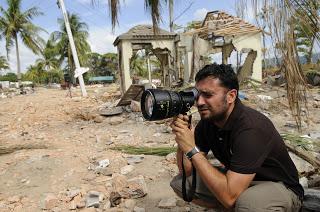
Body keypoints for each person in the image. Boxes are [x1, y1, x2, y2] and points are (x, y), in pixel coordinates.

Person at [170, 63, 303, 211]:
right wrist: (182, 140)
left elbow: (229, 197)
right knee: (182, 183)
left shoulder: (251, 128)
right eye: (198, 94)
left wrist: (192, 150)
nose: (200, 102)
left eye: (208, 95)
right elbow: (187, 171)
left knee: (248, 205)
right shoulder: (209, 122)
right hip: (240, 181)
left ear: (231, 96)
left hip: (278, 186)